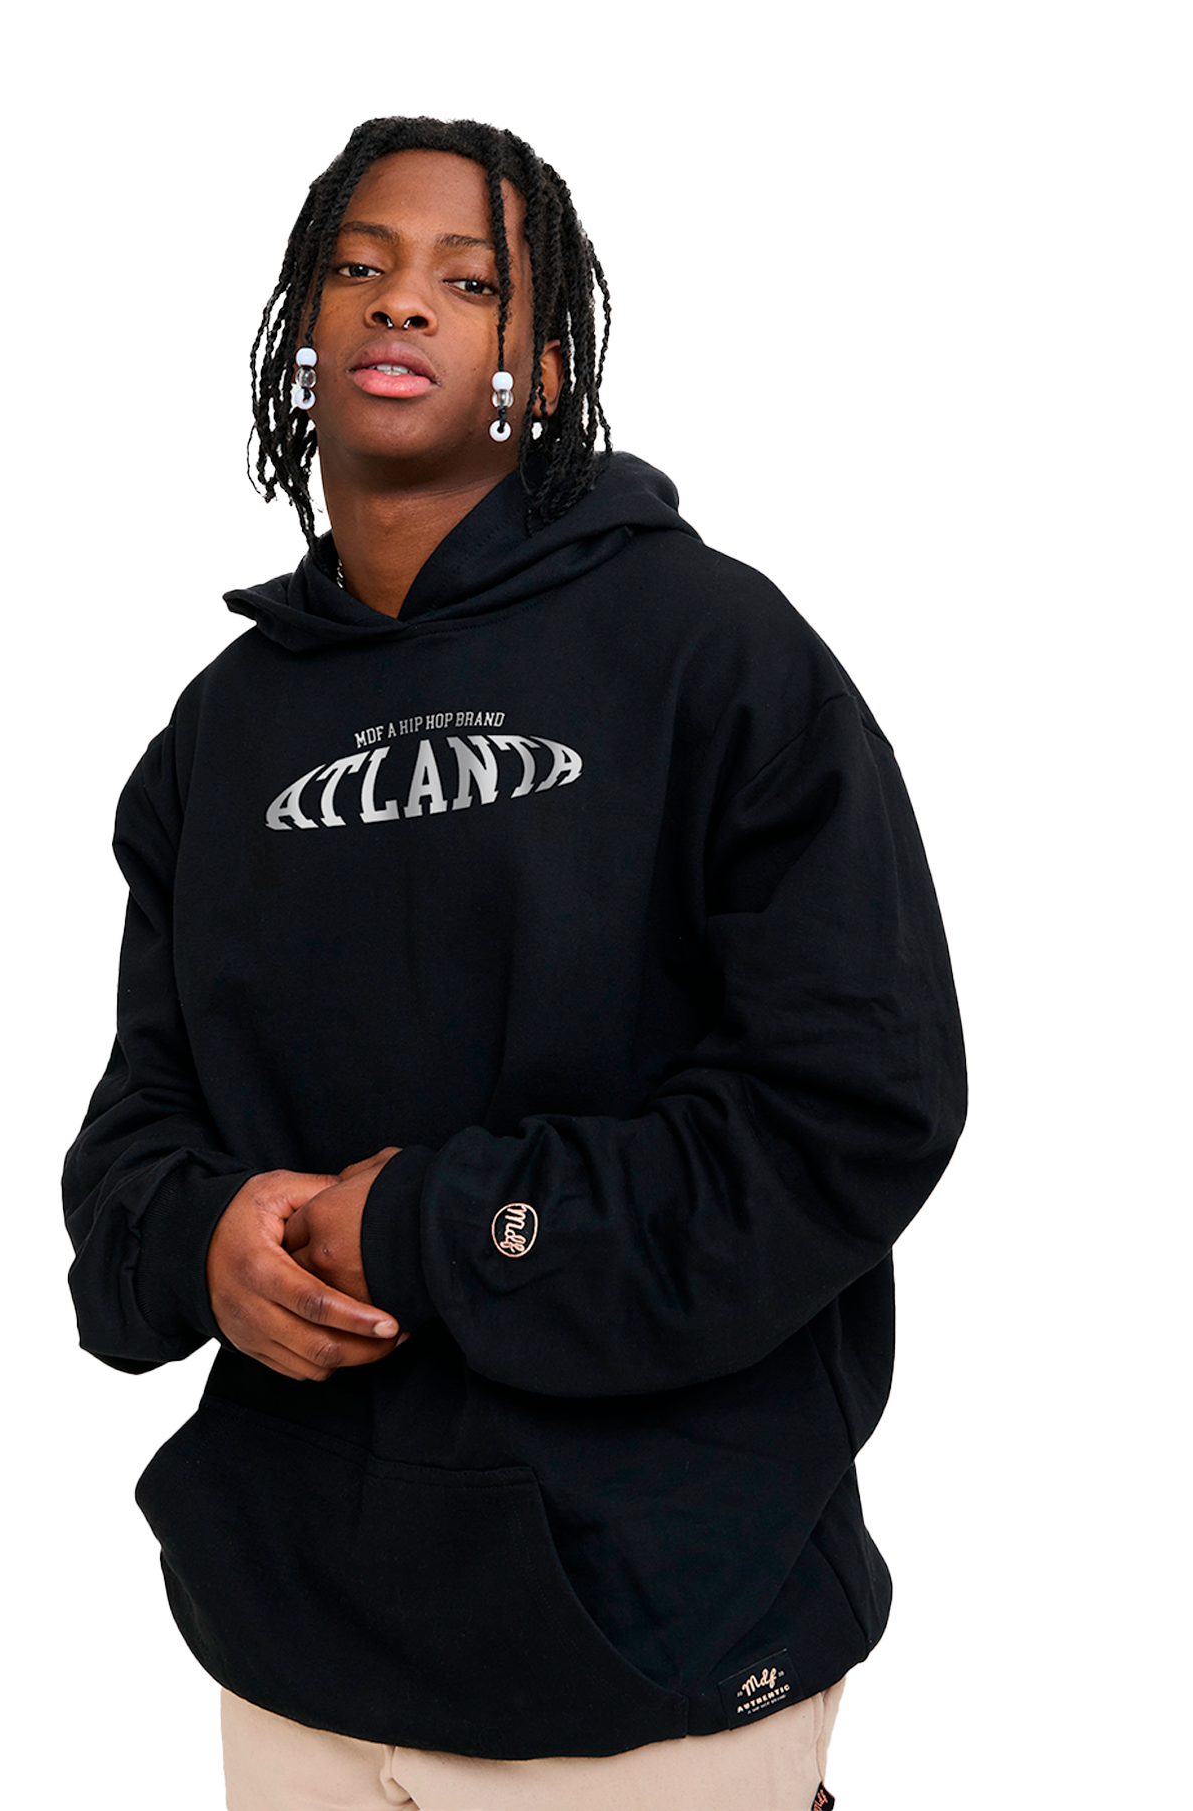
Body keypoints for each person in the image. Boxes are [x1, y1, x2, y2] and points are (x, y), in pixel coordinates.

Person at [62, 116, 966, 1811]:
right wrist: (204, 1241)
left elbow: (854, 1109)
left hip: (659, 1646)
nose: (401, 302)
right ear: (303, 332)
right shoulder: (220, 735)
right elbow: (136, 1132)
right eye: (358, 267)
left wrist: (442, 1226)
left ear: (540, 373)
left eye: (468, 282)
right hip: (296, 1647)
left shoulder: (713, 654)